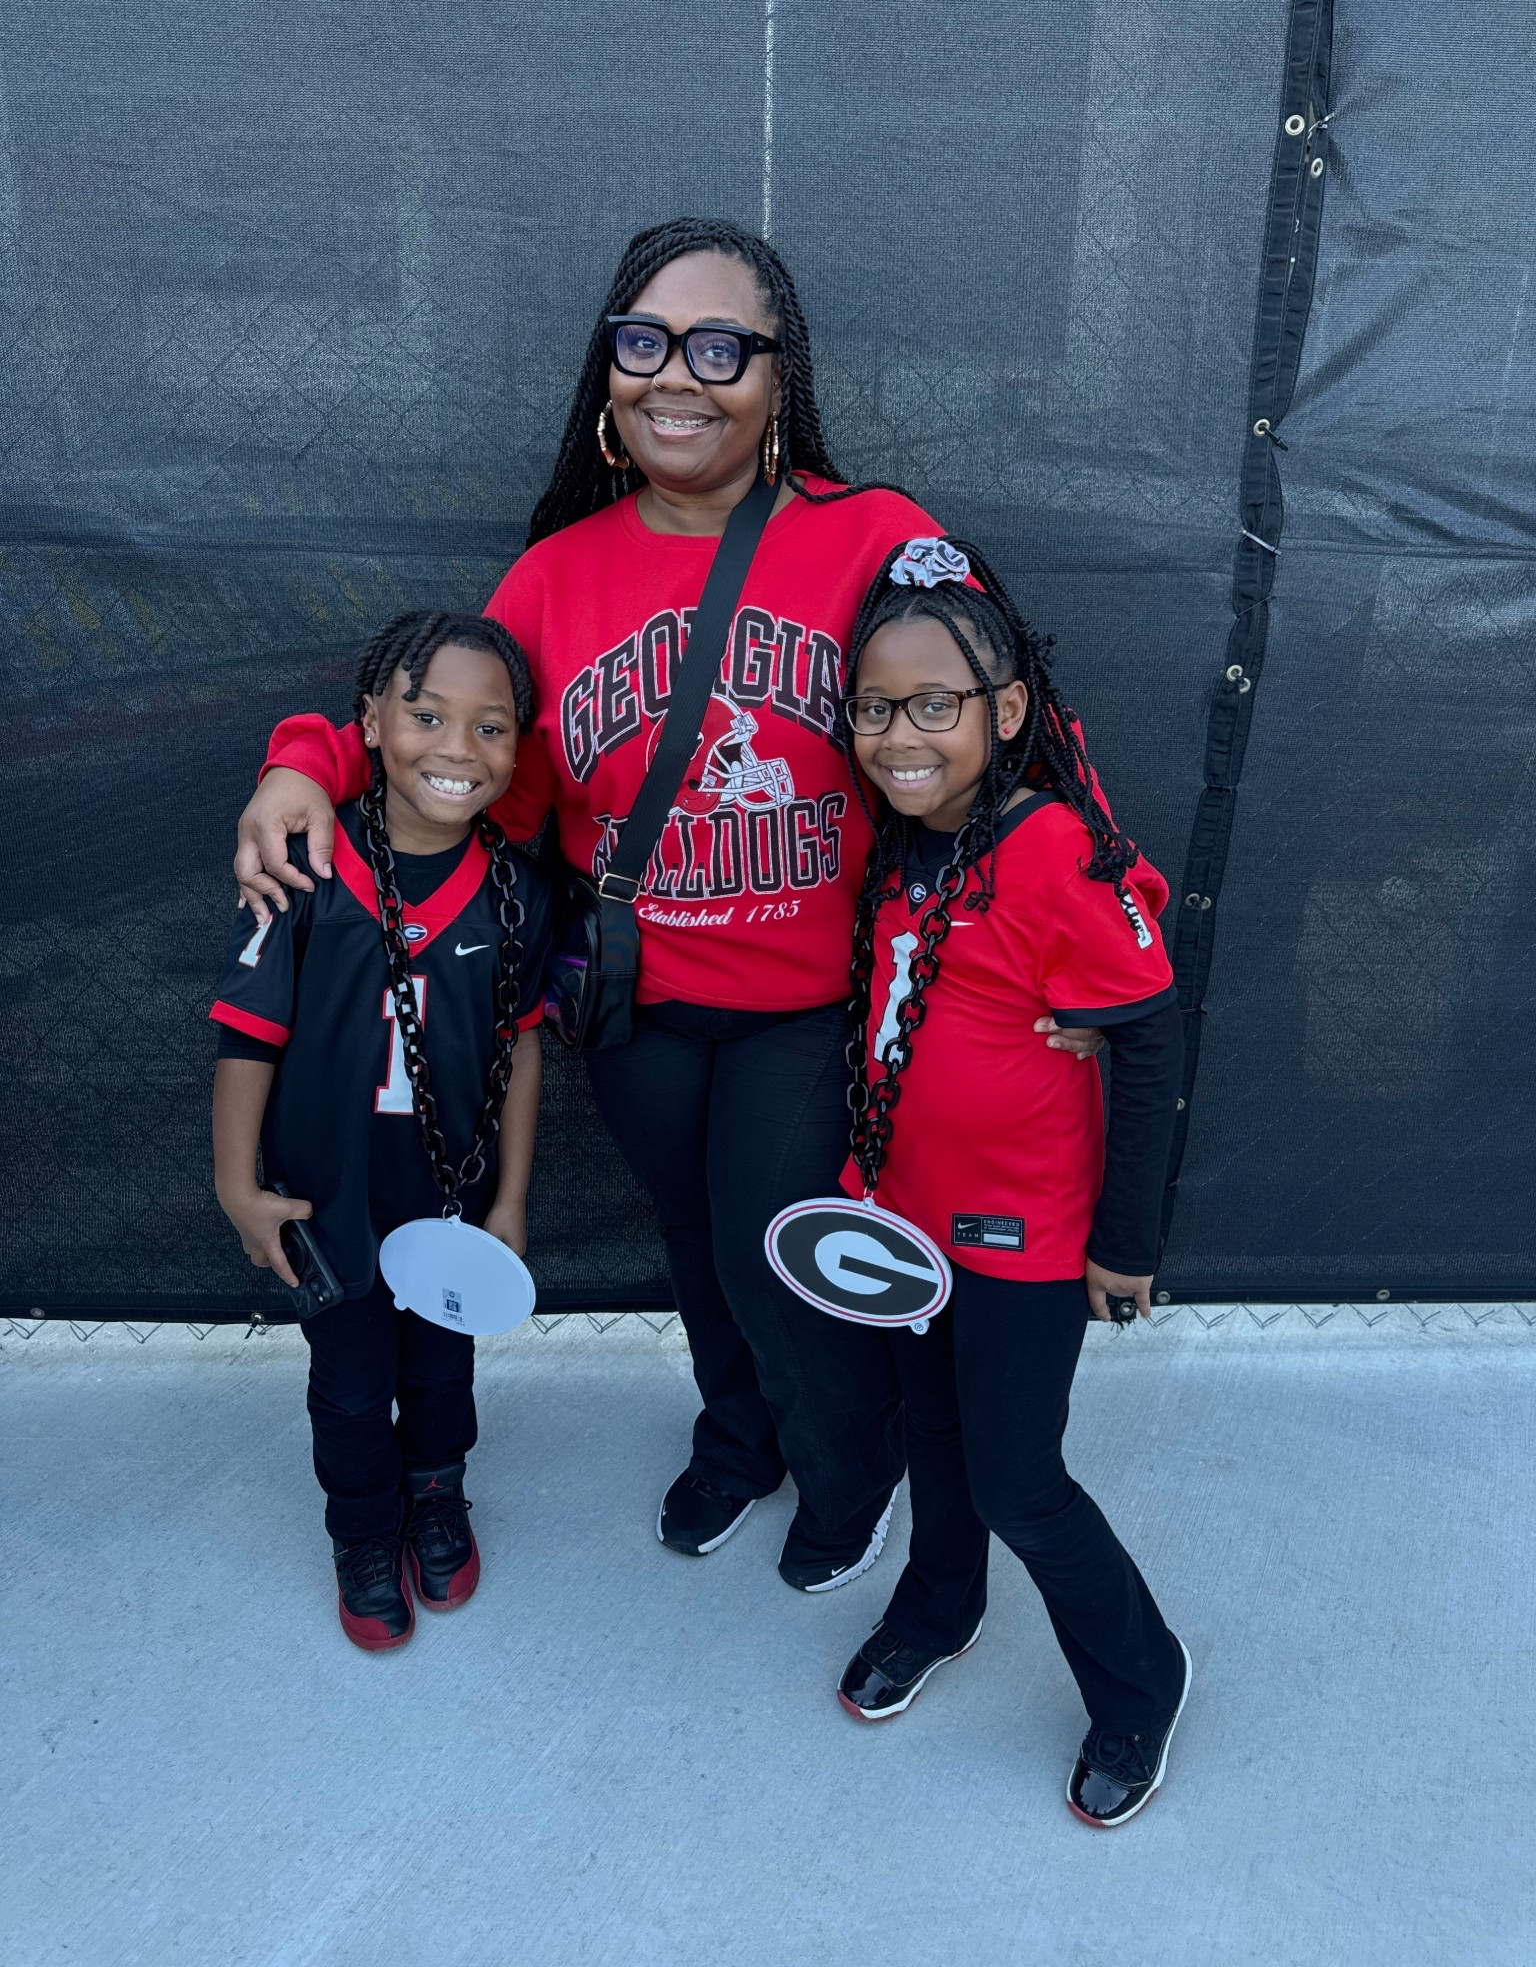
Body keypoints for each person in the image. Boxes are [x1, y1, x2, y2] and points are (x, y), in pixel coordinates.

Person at [231, 217, 1099, 1592]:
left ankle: (847, 1465)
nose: (675, 376)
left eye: (717, 345)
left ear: (777, 372)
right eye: (644, 342)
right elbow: (443, 731)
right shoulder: (555, 576)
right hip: (638, 1000)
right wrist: (301, 758)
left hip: (811, 1004)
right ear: (609, 374)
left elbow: (1021, 725)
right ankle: (740, 1436)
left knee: (775, 1250)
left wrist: (1106, 945)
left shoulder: (877, 539)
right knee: (698, 1251)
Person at [829, 537, 1190, 1829]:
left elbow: (1145, 1037)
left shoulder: (1046, 845)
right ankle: (941, 1601)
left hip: (1026, 1234)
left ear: (1011, 711)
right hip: (901, 1224)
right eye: (875, 706)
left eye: (936, 703)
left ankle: (1141, 1675)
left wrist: (1126, 1240)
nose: (898, 733)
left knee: (1018, 1477)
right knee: (928, 1431)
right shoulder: (898, 837)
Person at [211, 612, 552, 1652]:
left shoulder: (517, 892)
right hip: (329, 1190)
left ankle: (437, 1496)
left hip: (447, 1190)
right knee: (352, 1383)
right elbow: (247, 1031)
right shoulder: (303, 868)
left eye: (491, 727)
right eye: (428, 715)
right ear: (370, 721)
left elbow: (524, 1045)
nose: (457, 748)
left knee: (442, 1368)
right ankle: (363, 1531)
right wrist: (237, 1185)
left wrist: (508, 1200)